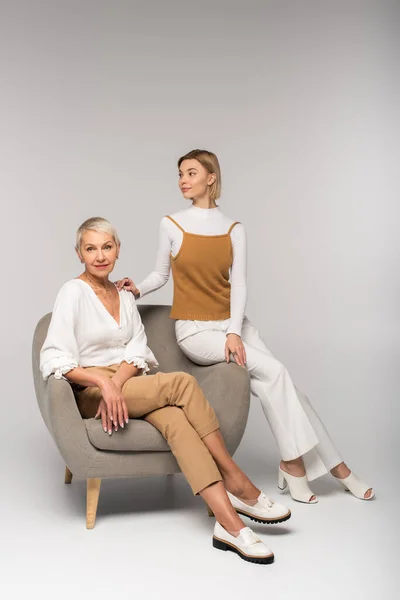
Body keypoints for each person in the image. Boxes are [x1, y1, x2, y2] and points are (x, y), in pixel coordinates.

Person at [116, 149, 374, 504]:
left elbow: (239, 285)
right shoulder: (171, 224)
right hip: (196, 331)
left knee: (284, 387)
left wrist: (235, 330)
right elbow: (161, 273)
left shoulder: (234, 229)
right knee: (276, 371)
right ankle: (325, 469)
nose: (183, 180)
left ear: (211, 177)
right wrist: (138, 288)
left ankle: (309, 465)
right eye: (179, 174)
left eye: (191, 173)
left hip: (232, 324)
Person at [40, 216, 292, 565]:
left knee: (175, 419)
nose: (100, 256)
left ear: (117, 250)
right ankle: (236, 479)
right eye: (91, 248)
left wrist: (117, 382)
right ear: (79, 253)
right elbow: (55, 357)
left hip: (126, 383)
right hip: (91, 390)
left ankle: (228, 525)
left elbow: (138, 351)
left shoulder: (124, 295)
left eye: (107, 247)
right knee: (181, 383)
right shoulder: (72, 292)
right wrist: (103, 384)